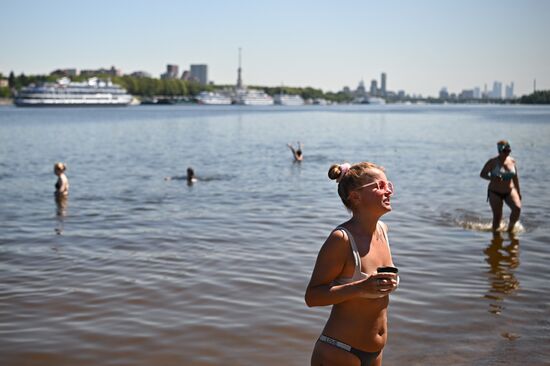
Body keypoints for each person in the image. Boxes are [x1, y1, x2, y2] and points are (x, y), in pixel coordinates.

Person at [305, 162, 399, 366]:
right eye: (380, 186)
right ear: (355, 196)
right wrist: (360, 287)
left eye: (388, 185)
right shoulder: (341, 239)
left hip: (375, 353)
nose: (389, 191)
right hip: (339, 351)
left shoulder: (383, 230)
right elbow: (312, 297)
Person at [480, 140, 522, 232]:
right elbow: (482, 174)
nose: (507, 153)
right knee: (497, 217)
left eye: (509, 150)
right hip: (495, 192)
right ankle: (496, 240)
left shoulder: (512, 161)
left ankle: (510, 230)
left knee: (517, 208)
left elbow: (515, 178)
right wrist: (492, 178)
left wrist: (518, 192)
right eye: (505, 151)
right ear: (499, 151)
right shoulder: (492, 162)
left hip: (509, 191)